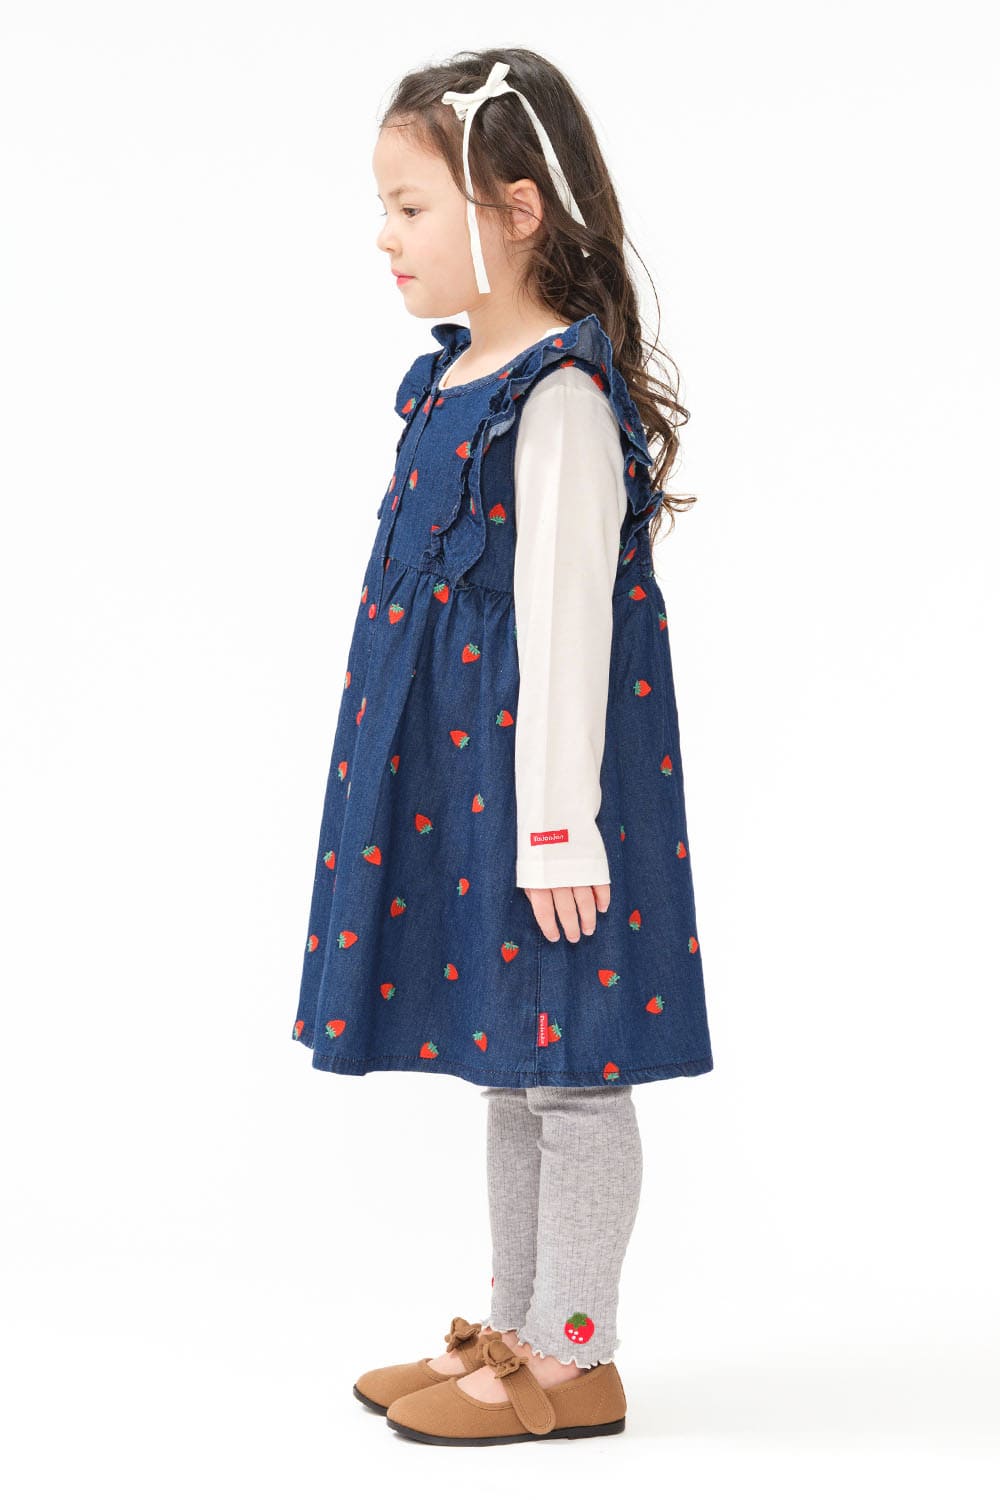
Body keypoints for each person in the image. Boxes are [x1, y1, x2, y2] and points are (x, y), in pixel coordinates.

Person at [290, 48, 714, 1444]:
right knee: (515, 1065)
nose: (386, 235)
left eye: (411, 206)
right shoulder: (454, 382)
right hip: (474, 795)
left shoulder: (559, 397)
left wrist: (556, 827)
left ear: (516, 211)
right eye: (386, 207)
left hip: (546, 808)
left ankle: (577, 1356)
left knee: (574, 1071)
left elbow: (570, 628)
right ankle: (520, 1329)